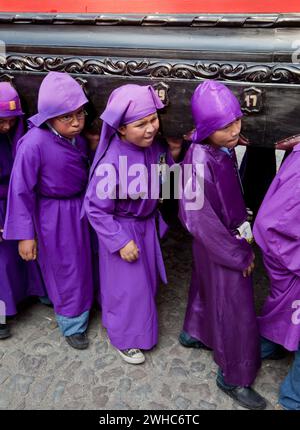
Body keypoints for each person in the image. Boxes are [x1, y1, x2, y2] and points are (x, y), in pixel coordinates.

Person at [178, 80, 266, 410]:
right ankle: (233, 375)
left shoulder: (218, 149)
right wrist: (239, 253)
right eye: (224, 126)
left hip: (216, 239)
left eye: (237, 121)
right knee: (235, 306)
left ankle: (195, 332)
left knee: (205, 287)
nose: (234, 131)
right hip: (220, 241)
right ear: (205, 129)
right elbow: (198, 219)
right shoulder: (199, 160)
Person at [84, 84, 181, 365]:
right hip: (123, 229)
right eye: (140, 124)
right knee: (127, 288)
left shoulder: (155, 146)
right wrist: (119, 241)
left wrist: (175, 154)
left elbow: (171, 189)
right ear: (121, 129)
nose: (150, 128)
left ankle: (131, 323)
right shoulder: (110, 162)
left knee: (143, 283)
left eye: (153, 119)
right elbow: (96, 209)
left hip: (146, 226)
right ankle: (124, 338)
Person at [3, 72, 94, 350]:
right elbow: (19, 191)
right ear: (49, 117)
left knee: (83, 260)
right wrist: (24, 235)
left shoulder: (77, 138)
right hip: (53, 213)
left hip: (79, 206)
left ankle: (82, 302)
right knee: (66, 266)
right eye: (67, 117)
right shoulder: (33, 144)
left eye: (80, 113)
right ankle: (72, 322)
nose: (77, 122)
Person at [253, 143, 300, 410]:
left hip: (289, 256)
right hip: (288, 258)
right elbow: (268, 227)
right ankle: (295, 398)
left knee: (283, 316)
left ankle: (271, 345)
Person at [0, 82, 46, 339]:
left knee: (25, 254)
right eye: (1, 121)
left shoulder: (20, 134)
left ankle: (29, 294)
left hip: (16, 200)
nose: (7, 127)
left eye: (11, 120)